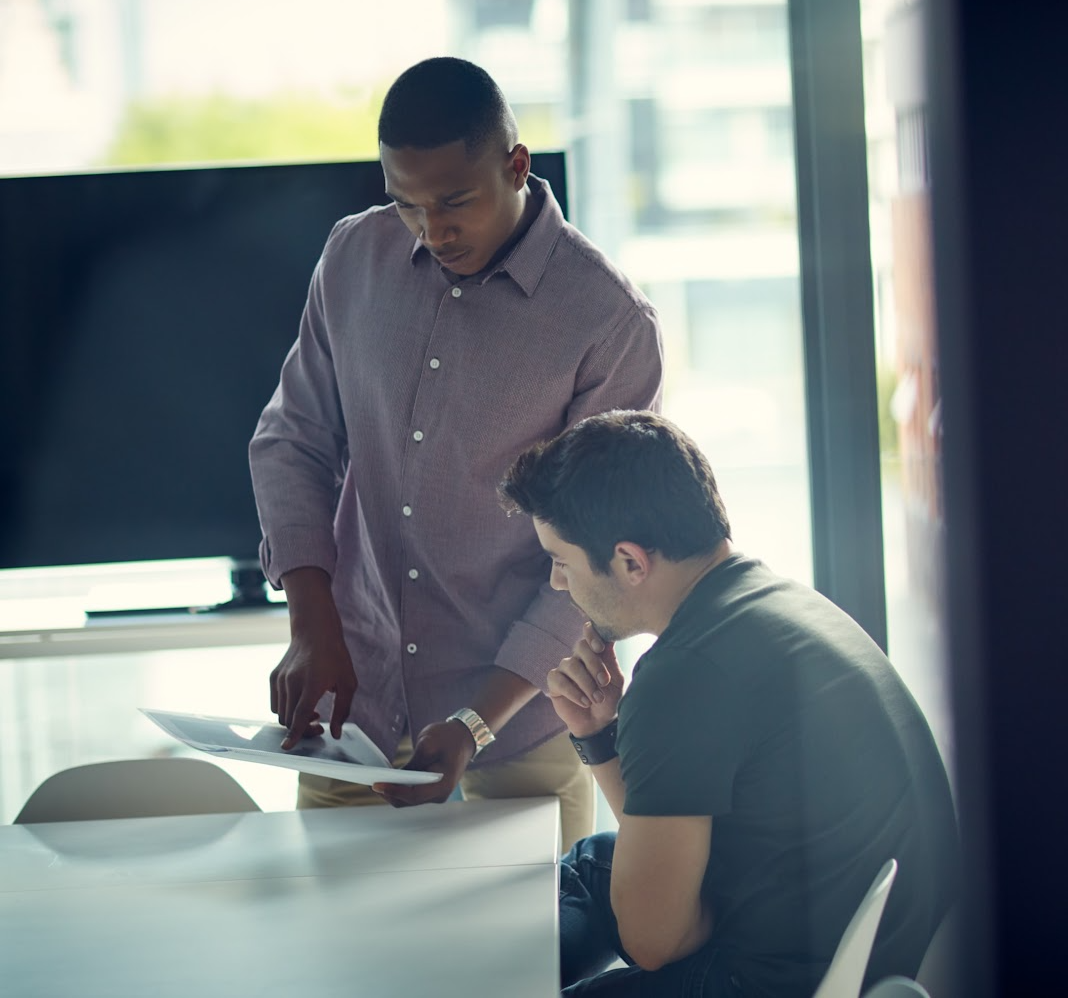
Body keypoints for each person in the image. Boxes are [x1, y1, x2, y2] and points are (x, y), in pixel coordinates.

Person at [249, 57, 663, 851]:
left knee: (517, 976)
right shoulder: (351, 260)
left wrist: (475, 721)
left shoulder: (608, 324)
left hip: (519, 741)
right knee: (343, 967)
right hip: (353, 728)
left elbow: (598, 568)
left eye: (454, 202)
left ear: (516, 164)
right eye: (405, 203)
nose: (432, 231)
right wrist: (312, 624)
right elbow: (290, 438)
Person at [499, 410, 960, 997]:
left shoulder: (682, 675)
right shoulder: (776, 602)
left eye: (561, 561)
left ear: (631, 562)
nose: (559, 585)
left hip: (775, 980)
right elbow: (667, 828)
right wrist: (600, 735)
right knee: (595, 865)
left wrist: (692, 917)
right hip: (873, 951)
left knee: (587, 903)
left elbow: (653, 943)